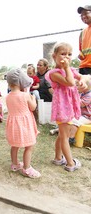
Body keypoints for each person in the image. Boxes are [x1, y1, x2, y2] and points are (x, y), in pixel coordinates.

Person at [45, 42, 83, 172]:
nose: (66, 57)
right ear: (54, 56)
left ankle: (57, 158)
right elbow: (70, 82)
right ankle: (70, 164)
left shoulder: (70, 70)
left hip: (69, 107)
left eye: (69, 54)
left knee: (62, 135)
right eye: (63, 54)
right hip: (62, 107)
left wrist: (82, 81)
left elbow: (80, 77)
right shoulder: (53, 73)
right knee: (65, 136)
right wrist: (67, 68)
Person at [5, 68, 41, 178]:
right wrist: (33, 98)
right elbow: (33, 107)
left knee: (15, 145)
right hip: (24, 125)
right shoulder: (25, 95)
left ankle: (15, 164)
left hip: (13, 125)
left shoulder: (7, 96)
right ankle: (27, 168)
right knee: (29, 146)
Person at [77, 5, 91, 75]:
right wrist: (80, 55)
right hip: (84, 67)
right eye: (81, 15)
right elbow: (81, 51)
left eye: (86, 13)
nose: (83, 16)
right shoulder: (82, 33)